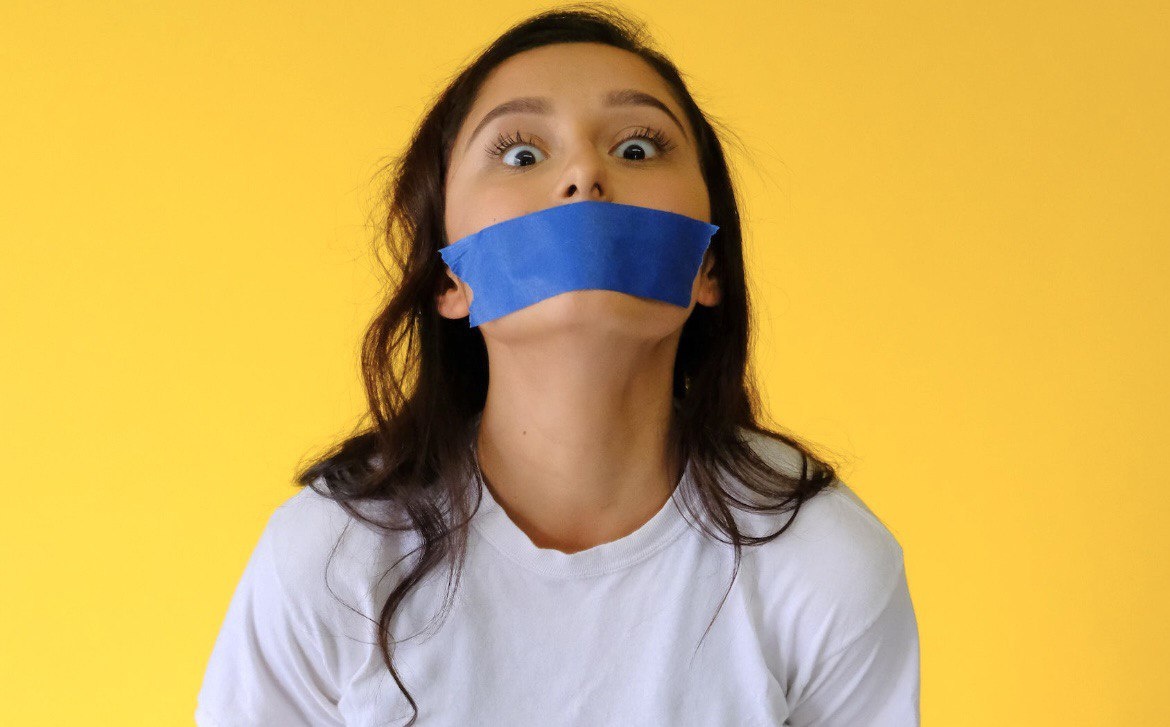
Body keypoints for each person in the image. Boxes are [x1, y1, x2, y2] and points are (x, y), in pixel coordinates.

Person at [195, 6, 920, 726]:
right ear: (449, 278)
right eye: (520, 153)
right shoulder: (334, 555)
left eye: (637, 148)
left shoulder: (822, 560)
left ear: (708, 267)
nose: (584, 174)